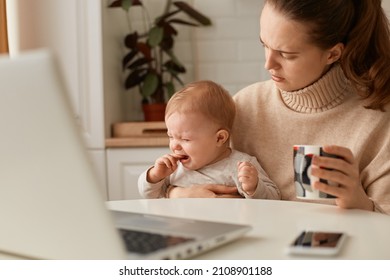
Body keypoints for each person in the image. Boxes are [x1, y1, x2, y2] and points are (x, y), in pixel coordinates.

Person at [166, 0, 390, 214]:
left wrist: (358, 202)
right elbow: (180, 174)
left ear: (332, 53)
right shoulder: (244, 107)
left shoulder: (378, 119)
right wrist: (177, 195)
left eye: (286, 54)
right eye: (265, 45)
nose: (268, 64)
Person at [138, 80, 280, 199]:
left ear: (219, 138)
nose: (175, 145)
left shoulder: (242, 166)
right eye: (171, 136)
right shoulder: (173, 169)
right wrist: (154, 175)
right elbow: (148, 194)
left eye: (185, 139)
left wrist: (254, 187)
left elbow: (274, 197)